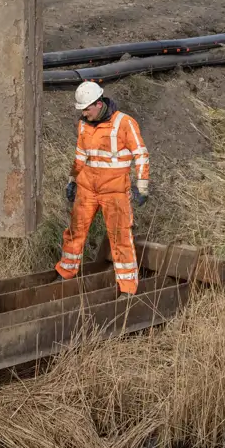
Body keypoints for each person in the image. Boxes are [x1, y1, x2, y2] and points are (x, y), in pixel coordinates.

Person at [57, 80, 150, 295]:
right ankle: (66, 273)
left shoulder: (124, 123)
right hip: (87, 189)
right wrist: (72, 181)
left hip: (115, 193)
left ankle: (127, 288)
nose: (83, 114)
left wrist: (142, 185)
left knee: (120, 239)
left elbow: (141, 154)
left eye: (86, 109)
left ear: (98, 104)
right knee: (74, 232)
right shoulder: (83, 124)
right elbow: (80, 156)